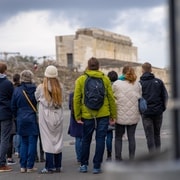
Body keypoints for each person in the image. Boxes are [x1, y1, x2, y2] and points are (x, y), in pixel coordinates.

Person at [73, 57, 116, 174]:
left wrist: (77, 116)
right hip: (103, 114)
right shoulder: (105, 79)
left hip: (87, 114)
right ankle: (97, 166)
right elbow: (111, 98)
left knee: (86, 140)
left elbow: (76, 99)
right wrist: (113, 115)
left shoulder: (81, 79)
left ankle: (84, 165)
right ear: (98, 66)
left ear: (88, 65)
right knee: (100, 139)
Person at [35, 65, 63, 174]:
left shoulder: (41, 87)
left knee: (47, 141)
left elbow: (36, 97)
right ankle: (58, 166)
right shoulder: (60, 87)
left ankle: (49, 166)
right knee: (58, 139)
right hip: (58, 113)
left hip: (46, 114)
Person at [11, 70, 39, 173]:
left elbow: (13, 106)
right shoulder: (35, 89)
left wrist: (16, 116)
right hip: (32, 117)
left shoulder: (17, 90)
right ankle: (30, 165)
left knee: (23, 142)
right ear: (31, 78)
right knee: (32, 142)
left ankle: (23, 166)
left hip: (21, 117)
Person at [112, 65, 142, 160]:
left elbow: (113, 98)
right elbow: (140, 97)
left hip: (120, 115)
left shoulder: (116, 84)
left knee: (118, 137)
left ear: (123, 73)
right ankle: (132, 158)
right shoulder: (137, 84)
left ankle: (118, 158)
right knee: (131, 137)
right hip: (133, 114)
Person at [140, 62, 168, 153]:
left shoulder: (140, 84)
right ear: (151, 70)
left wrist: (141, 111)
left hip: (146, 113)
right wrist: (162, 108)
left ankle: (152, 156)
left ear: (142, 70)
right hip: (158, 112)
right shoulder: (159, 82)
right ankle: (158, 154)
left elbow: (137, 99)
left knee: (149, 136)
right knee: (157, 134)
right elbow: (165, 96)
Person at [0, 62, 14, 172]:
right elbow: (12, 98)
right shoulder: (7, 84)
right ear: (5, 70)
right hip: (5, 113)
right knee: (4, 139)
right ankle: (2, 163)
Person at [106, 70, 118, 161]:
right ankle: (118, 155)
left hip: (108, 112)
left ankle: (109, 155)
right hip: (118, 112)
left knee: (108, 135)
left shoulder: (106, 85)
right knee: (118, 136)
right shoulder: (119, 85)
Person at [68, 92, 83, 164]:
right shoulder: (85, 93)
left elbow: (70, 107)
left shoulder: (72, 94)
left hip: (75, 118)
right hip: (85, 117)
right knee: (84, 139)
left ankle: (79, 158)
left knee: (78, 139)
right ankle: (84, 156)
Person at [12, 74, 21, 158]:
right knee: (19, 132)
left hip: (13, 112)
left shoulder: (11, 88)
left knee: (15, 132)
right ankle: (19, 149)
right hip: (20, 112)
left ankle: (16, 150)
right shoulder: (20, 88)